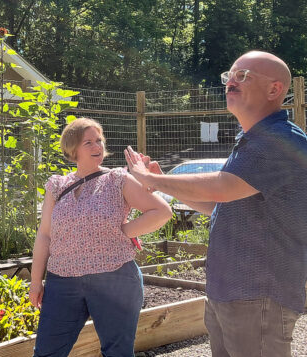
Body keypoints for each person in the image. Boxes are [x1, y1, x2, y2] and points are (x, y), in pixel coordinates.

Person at [124, 50, 307, 357]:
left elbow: (223, 188)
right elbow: (220, 205)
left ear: (275, 89)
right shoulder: (251, 139)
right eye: (229, 76)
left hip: (259, 293)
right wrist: (163, 181)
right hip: (229, 291)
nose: (230, 83)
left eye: (243, 76)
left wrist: (153, 181)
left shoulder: (281, 140)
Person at [29, 117, 172, 357]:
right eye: (89, 143)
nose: (98, 147)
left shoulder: (117, 180)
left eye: (99, 141)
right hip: (63, 282)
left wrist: (124, 231)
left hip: (114, 279)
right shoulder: (57, 185)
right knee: (46, 352)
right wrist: (35, 282)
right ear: (73, 149)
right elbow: (44, 235)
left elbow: (161, 212)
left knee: (117, 353)